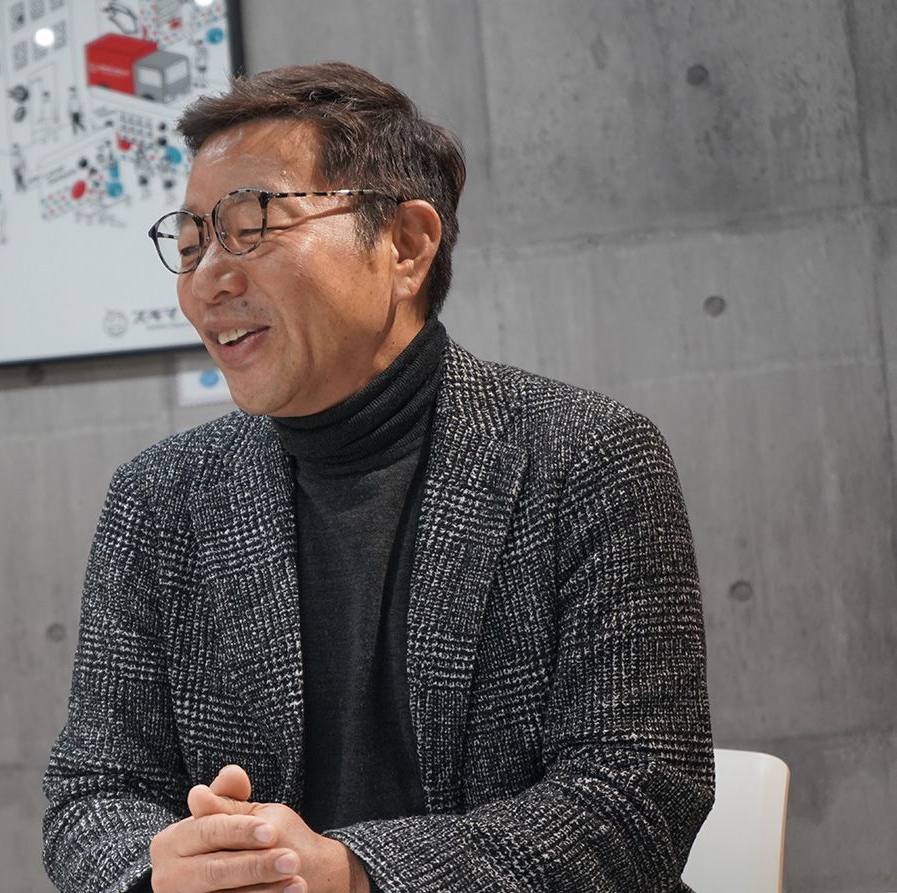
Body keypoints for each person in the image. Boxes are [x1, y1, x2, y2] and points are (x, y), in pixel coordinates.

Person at [42, 62, 714, 893]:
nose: (208, 277)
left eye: (251, 225)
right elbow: (93, 791)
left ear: (406, 244)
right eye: (190, 243)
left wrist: (358, 874)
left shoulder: (587, 457)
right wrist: (169, 873)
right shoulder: (160, 498)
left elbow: (639, 792)